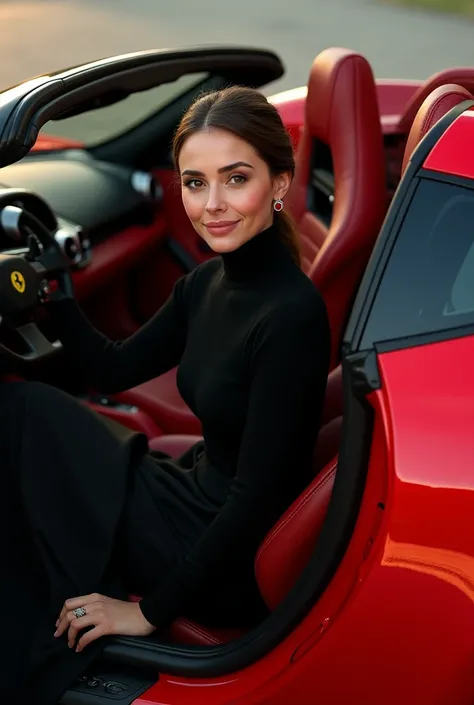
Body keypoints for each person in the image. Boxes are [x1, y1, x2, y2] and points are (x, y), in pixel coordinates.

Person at [0, 85, 331, 704]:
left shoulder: (292, 318)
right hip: (191, 495)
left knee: (23, 418)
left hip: (220, 552)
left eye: (236, 179)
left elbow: (255, 498)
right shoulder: (208, 281)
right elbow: (115, 368)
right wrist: (53, 292)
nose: (212, 206)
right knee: (33, 418)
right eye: (195, 182)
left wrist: (148, 611)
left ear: (280, 181)